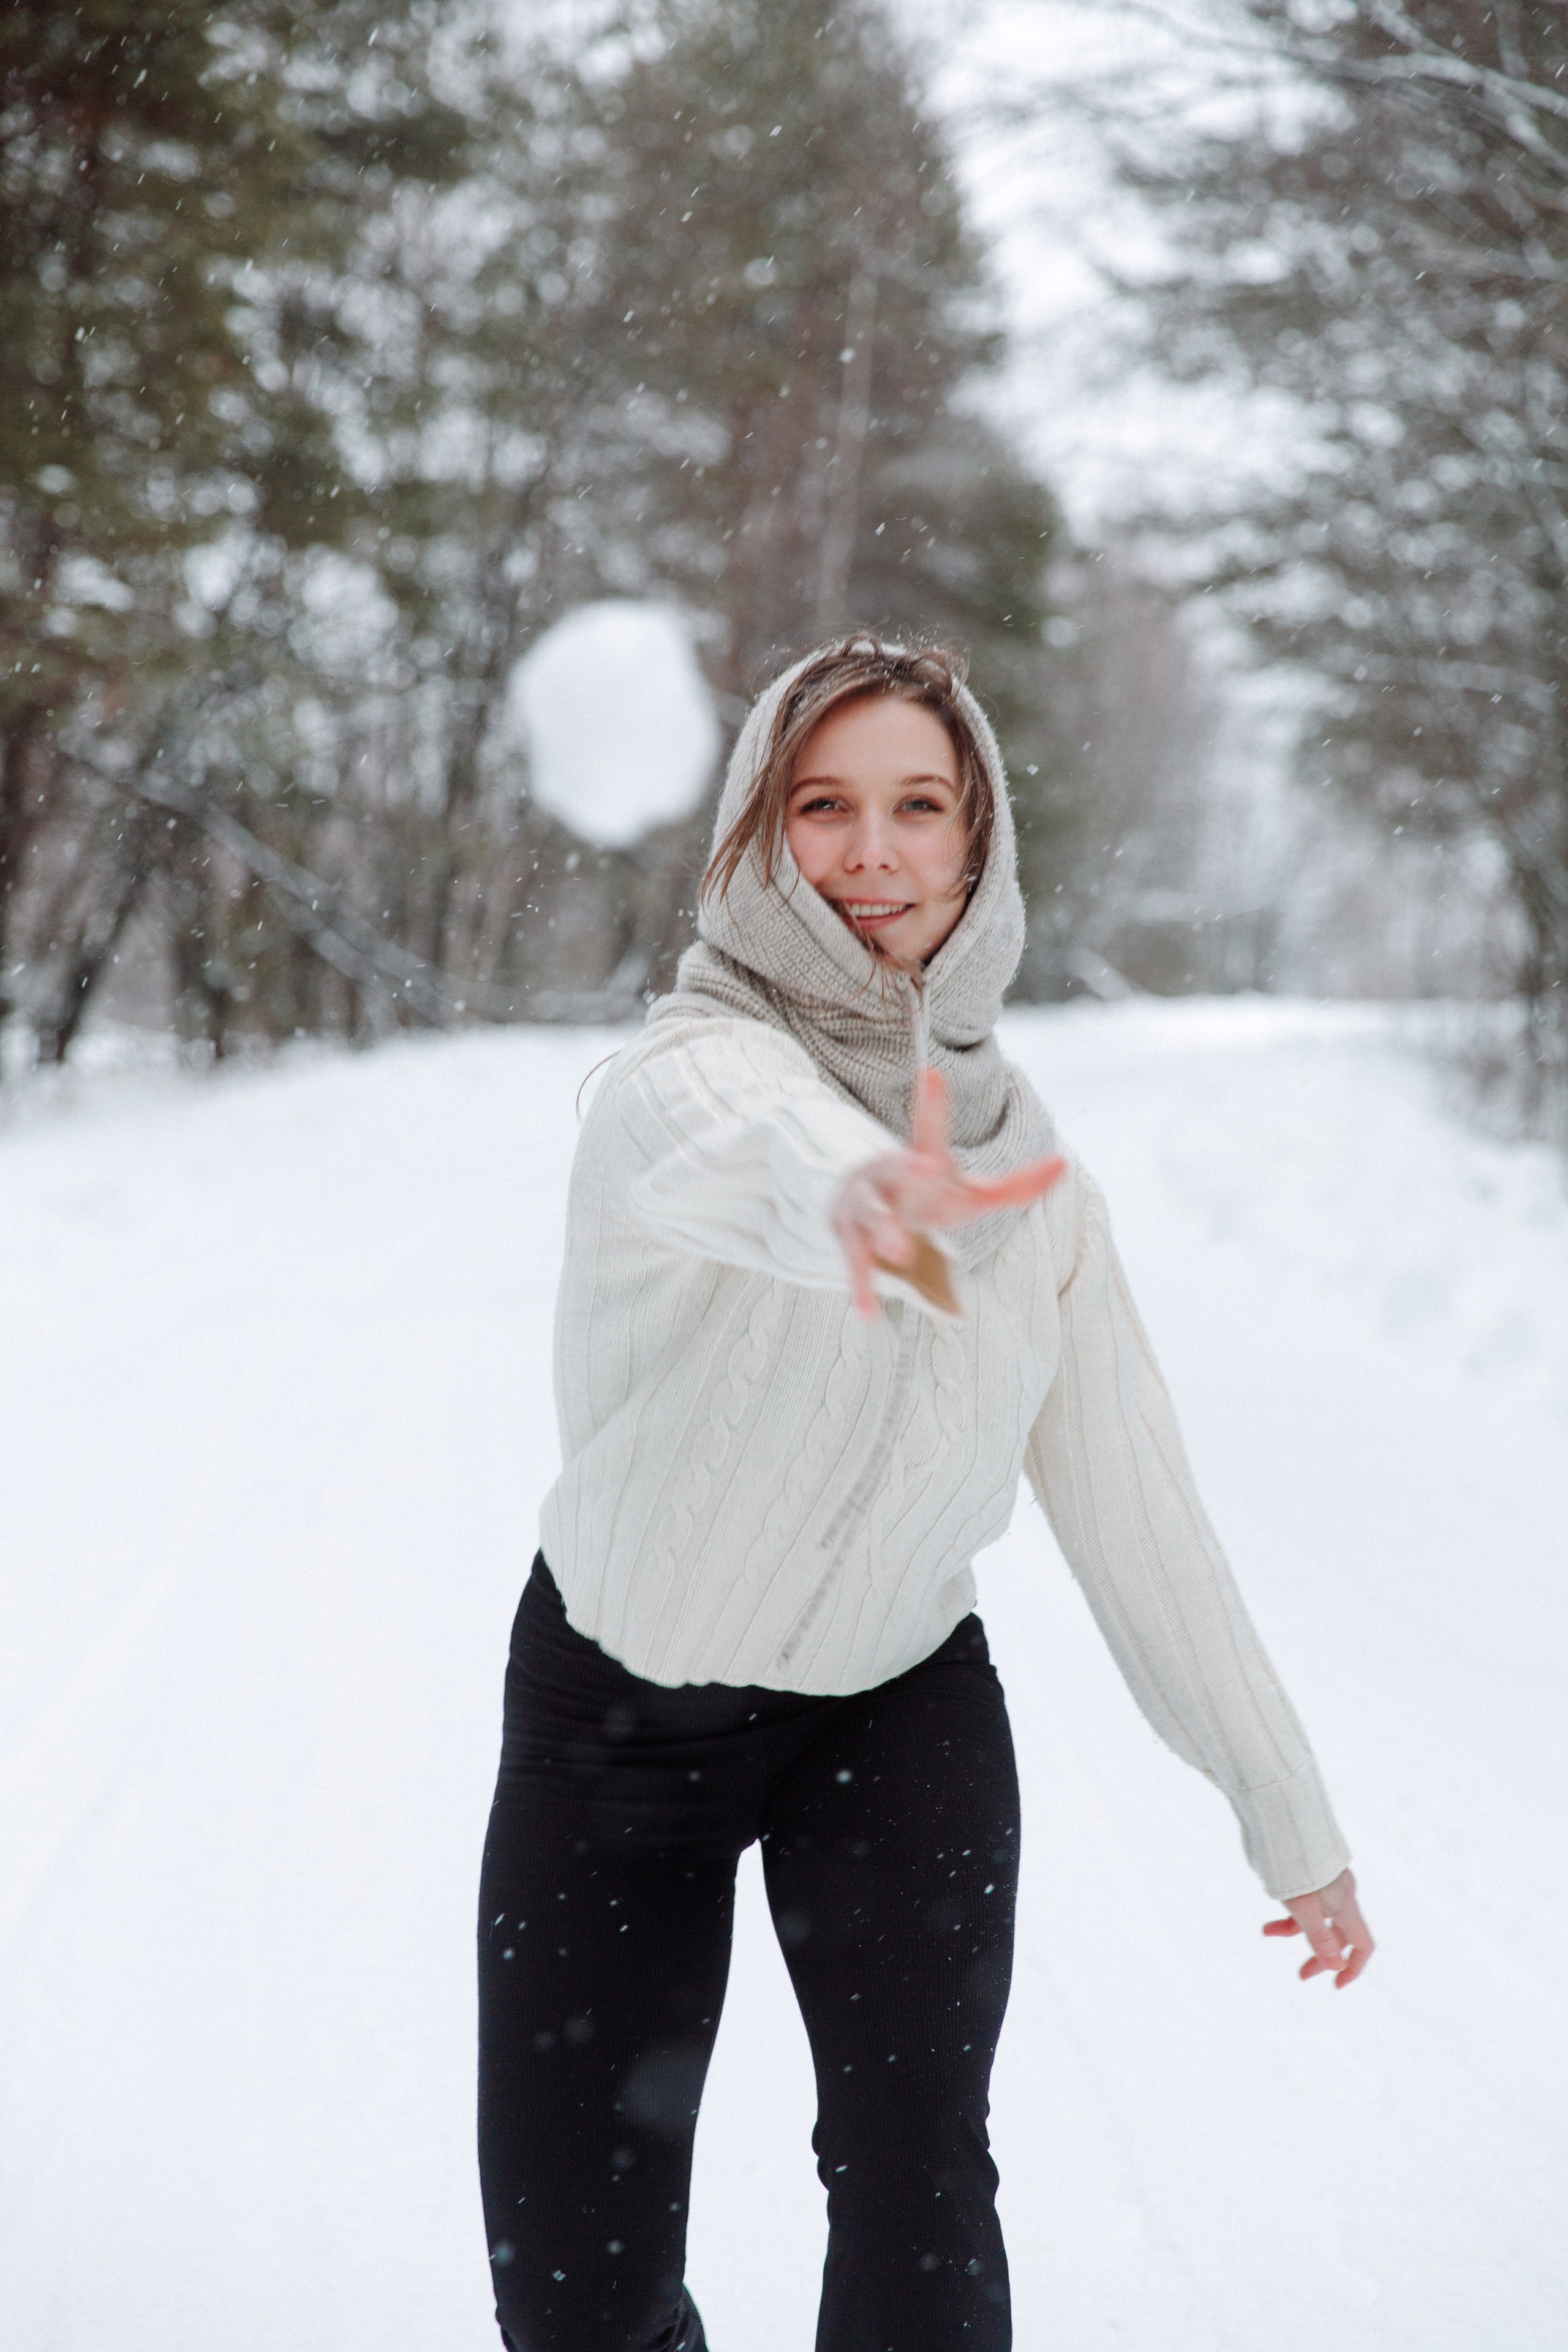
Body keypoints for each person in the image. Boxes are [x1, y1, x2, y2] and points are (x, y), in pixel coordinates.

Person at [476, 634, 1373, 2352]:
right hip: (619, 1717)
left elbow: (1141, 1517)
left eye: (918, 808)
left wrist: (1290, 1812)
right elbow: (748, 1145)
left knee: (919, 2186)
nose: (872, 854)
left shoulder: (1031, 1179)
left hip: (891, 1707)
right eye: (821, 806)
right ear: (755, 833)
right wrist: (866, 1191)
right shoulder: (676, 1078)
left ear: (979, 843)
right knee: (578, 2277)